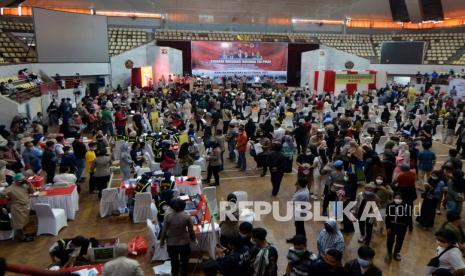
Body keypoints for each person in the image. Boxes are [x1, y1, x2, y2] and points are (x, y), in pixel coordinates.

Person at [160, 198, 197, 276]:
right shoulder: (186, 216)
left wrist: (162, 242)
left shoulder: (168, 215)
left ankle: (175, 274)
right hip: (184, 243)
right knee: (185, 262)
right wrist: (194, 239)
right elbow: (191, 231)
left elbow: (164, 231)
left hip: (172, 244)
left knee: (174, 262)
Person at [1, 173, 34, 242]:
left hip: (25, 207)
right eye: (21, 181)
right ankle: (21, 238)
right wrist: (8, 198)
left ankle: (24, 235)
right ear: (16, 181)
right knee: (18, 224)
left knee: (24, 222)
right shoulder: (10, 188)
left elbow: (32, 191)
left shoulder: (24, 186)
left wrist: (29, 184)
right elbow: (2, 194)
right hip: (17, 208)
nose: (22, 182)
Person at [385, 192, 410, 261]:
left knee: (399, 241)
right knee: (390, 240)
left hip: (401, 227)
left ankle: (396, 253)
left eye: (399, 198)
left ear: (402, 199)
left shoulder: (406, 206)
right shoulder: (389, 205)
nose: (397, 199)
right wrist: (388, 227)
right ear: (393, 198)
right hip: (392, 226)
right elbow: (387, 218)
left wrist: (406, 227)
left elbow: (408, 218)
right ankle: (389, 252)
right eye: (396, 198)